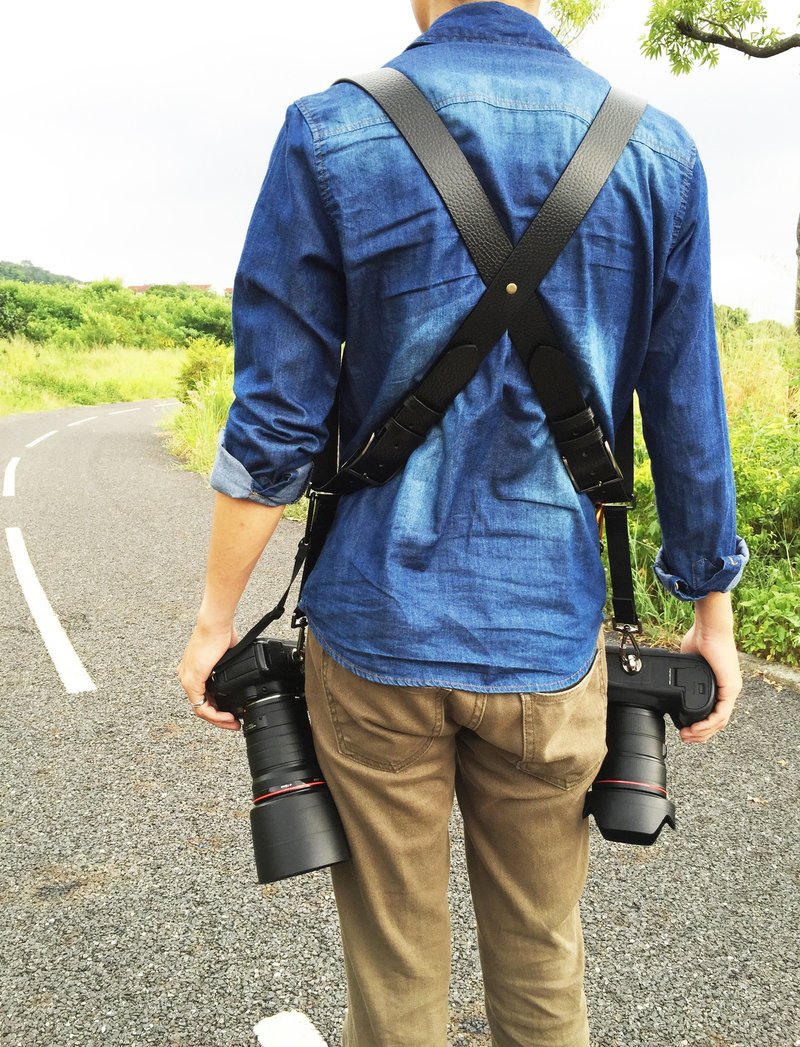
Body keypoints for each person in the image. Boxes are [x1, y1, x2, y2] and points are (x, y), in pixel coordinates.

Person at [178, 2, 748, 1044]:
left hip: (373, 633)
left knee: (394, 972)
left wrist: (217, 618)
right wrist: (710, 610)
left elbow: (273, 421)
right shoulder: (654, 149)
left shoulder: (330, 131)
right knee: (540, 960)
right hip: (548, 639)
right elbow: (685, 409)